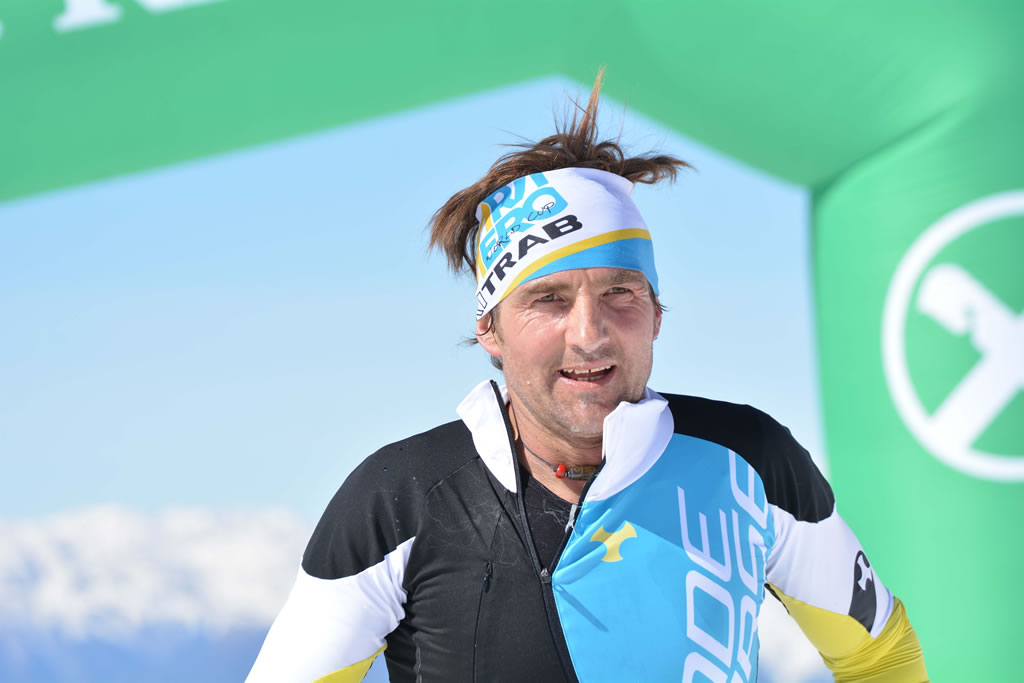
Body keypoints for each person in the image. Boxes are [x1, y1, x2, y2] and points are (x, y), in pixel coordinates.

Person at [247, 75, 928, 682]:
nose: (590, 332)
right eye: (548, 299)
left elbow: (881, 658)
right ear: (490, 330)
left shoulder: (748, 460)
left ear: (656, 312)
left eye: (619, 293)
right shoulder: (400, 499)